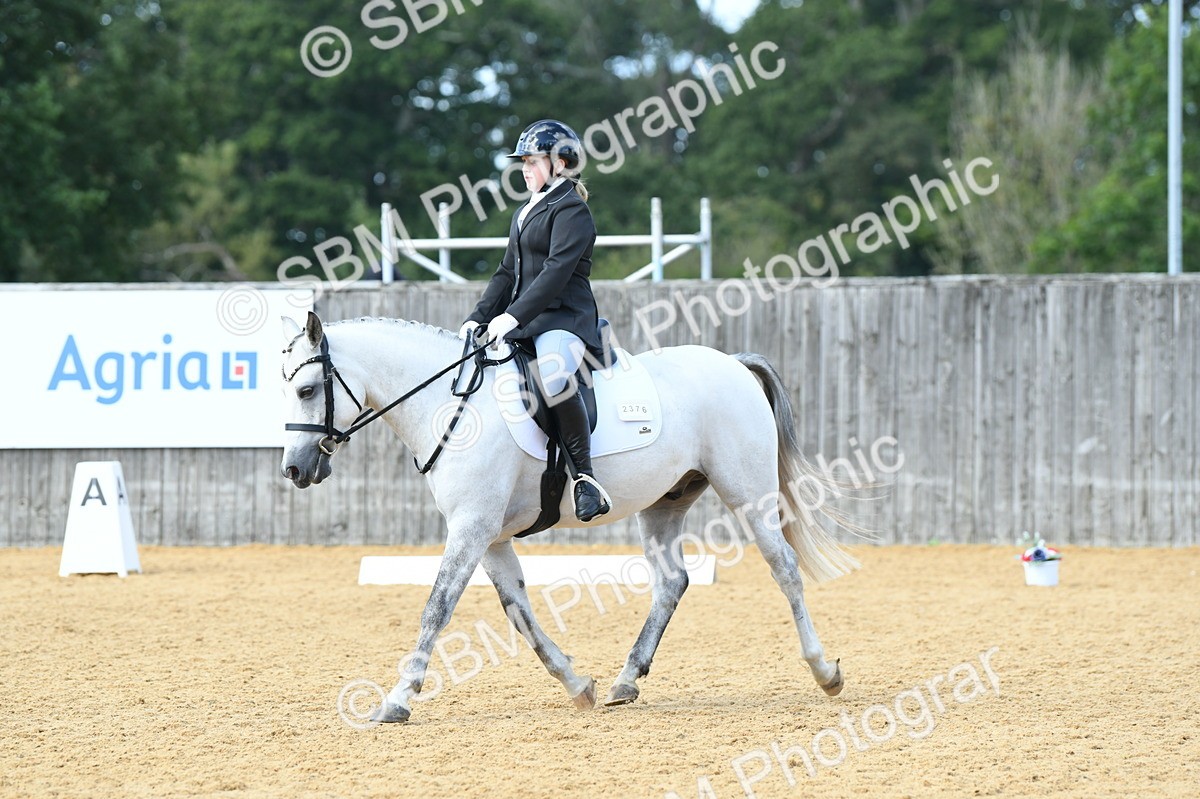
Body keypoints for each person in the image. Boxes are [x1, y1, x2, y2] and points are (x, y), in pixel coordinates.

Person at [459, 119, 612, 523]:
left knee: (553, 377)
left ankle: (585, 479)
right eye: (523, 162)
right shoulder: (525, 211)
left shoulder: (572, 210)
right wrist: (477, 318)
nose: (524, 169)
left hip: (565, 319)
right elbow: (506, 272)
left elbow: (555, 272)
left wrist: (511, 316)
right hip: (527, 322)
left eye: (532, 161)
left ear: (560, 163)